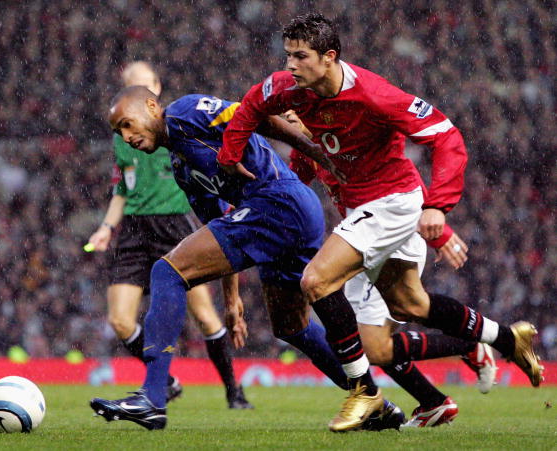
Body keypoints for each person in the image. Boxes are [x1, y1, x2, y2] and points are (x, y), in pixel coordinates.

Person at [218, 12, 543, 430]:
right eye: (287, 56)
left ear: (329, 57)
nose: (289, 67)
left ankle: (365, 394)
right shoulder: (292, 95)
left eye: (300, 57)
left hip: (393, 202)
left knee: (316, 280)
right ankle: (502, 340)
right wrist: (230, 158)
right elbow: (251, 106)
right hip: (367, 215)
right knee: (407, 310)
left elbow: (446, 135)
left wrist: (438, 208)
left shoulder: (373, 94)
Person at [90, 88, 402, 432]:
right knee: (291, 327)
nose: (127, 136)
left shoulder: (186, 111)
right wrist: (231, 299)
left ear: (152, 106)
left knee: (167, 272)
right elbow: (217, 231)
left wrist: (316, 152)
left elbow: (255, 116)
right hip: (286, 214)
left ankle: (152, 397)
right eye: (119, 132)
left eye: (127, 124)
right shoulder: (181, 167)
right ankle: (370, 399)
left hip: (278, 202)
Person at [287, 136, 496, 427]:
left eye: (293, 108)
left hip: (389, 237)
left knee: (371, 342)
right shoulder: (305, 149)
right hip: (360, 240)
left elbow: (403, 178)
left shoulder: (346, 130)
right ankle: (434, 401)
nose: (287, 113)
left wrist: (439, 233)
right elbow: (291, 186)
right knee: (364, 343)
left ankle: (464, 345)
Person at [87, 62, 252, 409]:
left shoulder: (173, 130)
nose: (133, 90)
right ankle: (165, 381)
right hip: (134, 228)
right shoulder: (124, 141)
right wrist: (106, 227)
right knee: (119, 319)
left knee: (205, 315)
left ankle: (234, 392)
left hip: (174, 225)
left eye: (141, 84)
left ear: (155, 90)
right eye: (127, 85)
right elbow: (122, 189)